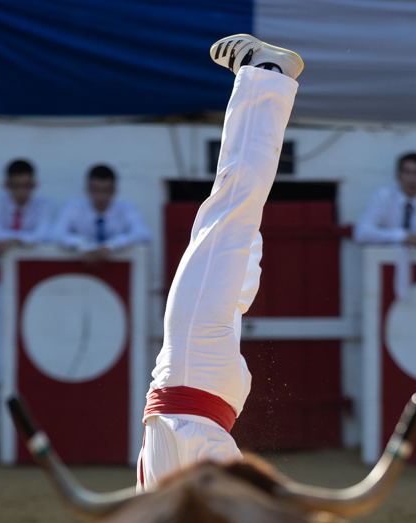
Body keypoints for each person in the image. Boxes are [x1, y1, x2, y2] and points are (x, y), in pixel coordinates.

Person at [137, 34, 301, 490]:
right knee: (231, 213)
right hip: (193, 373)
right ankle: (267, 75)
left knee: (234, 237)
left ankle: (266, 78)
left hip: (211, 398)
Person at [0, 159, 55, 461]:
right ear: (7, 186)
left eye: (27, 186)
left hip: (30, 293)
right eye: (17, 186)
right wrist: (26, 242)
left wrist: (15, 242)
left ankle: (24, 439)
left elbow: (44, 238)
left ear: (33, 186)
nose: (22, 192)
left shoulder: (43, 206)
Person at [52, 165, 150, 261]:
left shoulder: (127, 208)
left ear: (114, 191)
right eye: (95, 190)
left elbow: (143, 233)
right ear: (87, 189)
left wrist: (114, 244)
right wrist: (80, 244)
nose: (100, 196)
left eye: (106, 191)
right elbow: (56, 234)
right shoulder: (73, 207)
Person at [353, 153, 416, 249]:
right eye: (407, 172)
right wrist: (400, 236)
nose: (412, 179)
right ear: (398, 175)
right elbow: (362, 234)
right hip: (386, 259)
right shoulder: (383, 197)